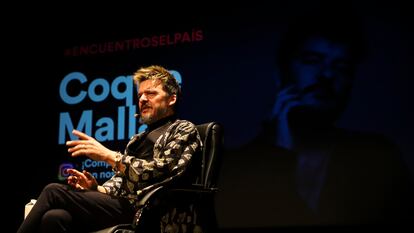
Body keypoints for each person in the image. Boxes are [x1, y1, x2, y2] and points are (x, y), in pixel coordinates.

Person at [218, 11, 413, 228]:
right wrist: (276, 152)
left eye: (342, 67)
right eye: (312, 61)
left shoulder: (379, 158)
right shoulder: (234, 168)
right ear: (281, 73)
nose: (327, 75)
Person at [17, 65, 202, 233]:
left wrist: (109, 156)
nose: (143, 99)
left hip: (151, 209)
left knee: (53, 191)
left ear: (172, 99)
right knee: (55, 217)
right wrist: (97, 188)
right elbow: (122, 181)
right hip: (126, 206)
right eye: (140, 96)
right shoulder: (138, 139)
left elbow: (161, 171)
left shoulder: (183, 129)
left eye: (151, 93)